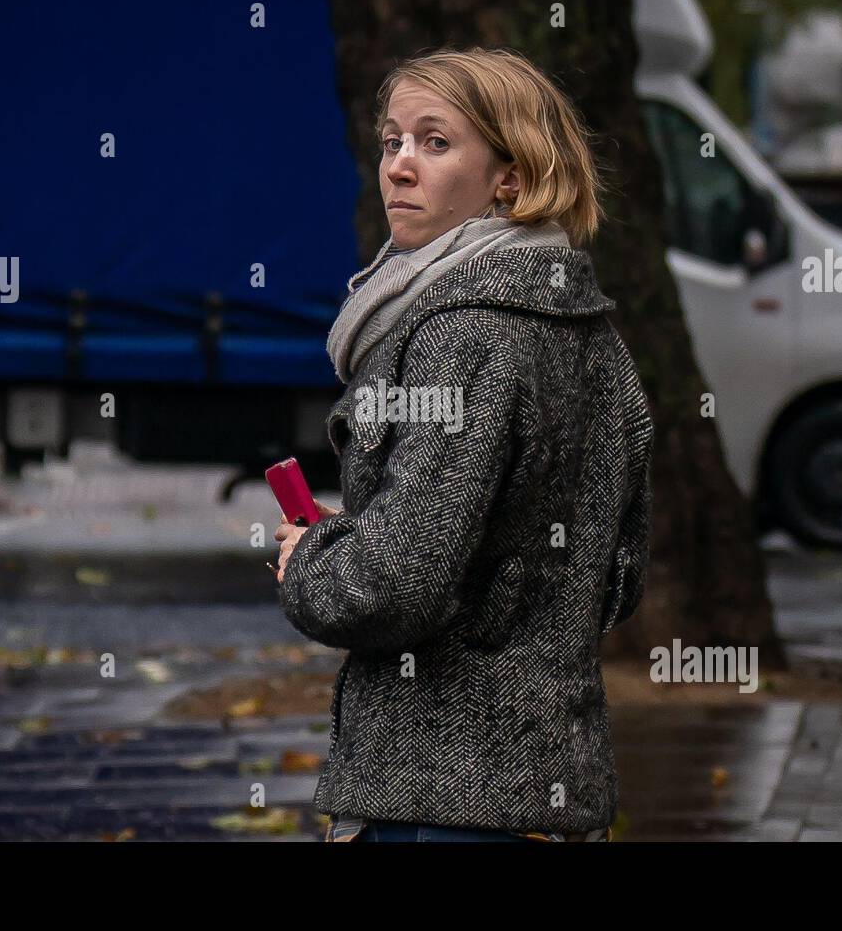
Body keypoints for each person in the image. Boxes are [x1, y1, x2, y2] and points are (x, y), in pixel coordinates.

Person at [274, 47, 654, 843]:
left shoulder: (462, 333)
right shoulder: (590, 332)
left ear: (510, 176)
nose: (400, 167)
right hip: (546, 786)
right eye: (391, 142)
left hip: (441, 800)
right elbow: (614, 579)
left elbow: (395, 586)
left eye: (435, 142)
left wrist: (312, 557)